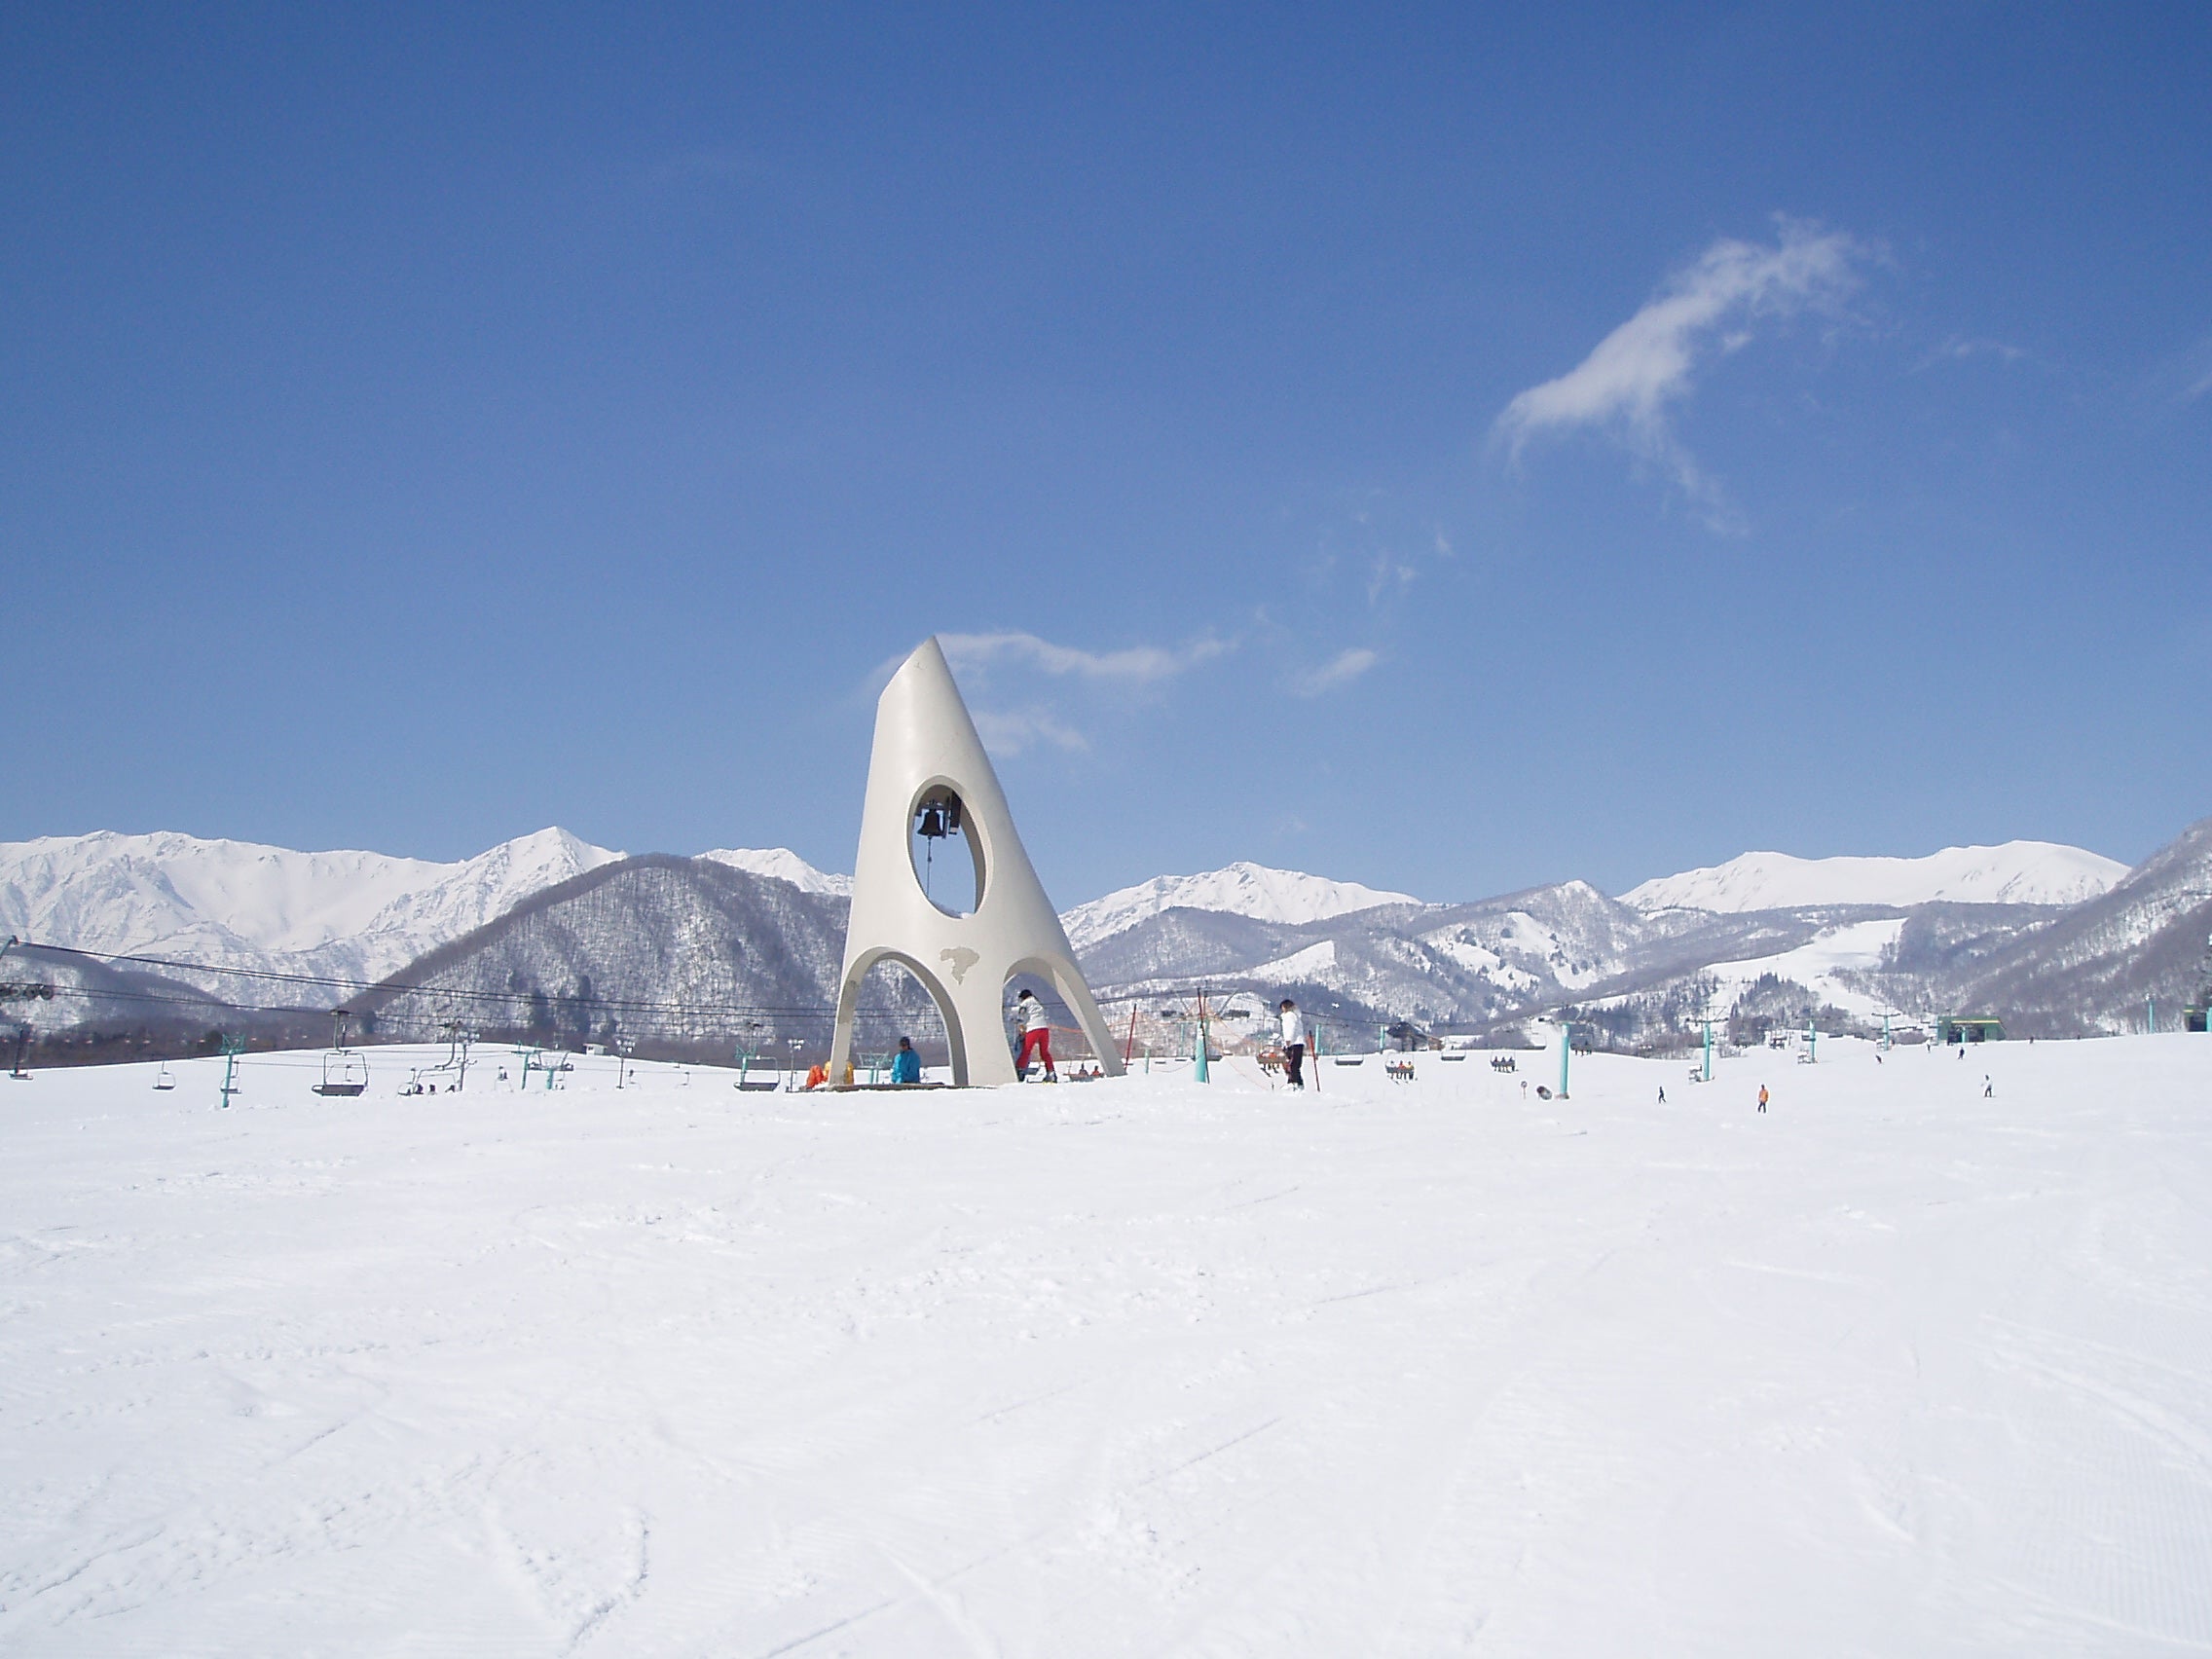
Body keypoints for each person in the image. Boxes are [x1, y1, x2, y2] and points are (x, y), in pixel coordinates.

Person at [1014, 988, 1055, 1081]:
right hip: (1044, 1029)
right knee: (1044, 1052)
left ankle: (1019, 1071)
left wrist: (1019, 1023)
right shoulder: (1037, 1002)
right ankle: (1051, 1072)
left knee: (1026, 1050)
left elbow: (1021, 1016)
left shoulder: (1025, 1003)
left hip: (1033, 1029)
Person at [1278, 999, 1307, 1089]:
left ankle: (1294, 1082)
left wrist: (1288, 1040)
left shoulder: (1290, 1016)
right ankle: (1295, 1081)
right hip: (1296, 1043)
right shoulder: (1294, 1016)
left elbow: (1290, 1028)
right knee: (1294, 1064)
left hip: (1294, 1043)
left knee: (1293, 1064)